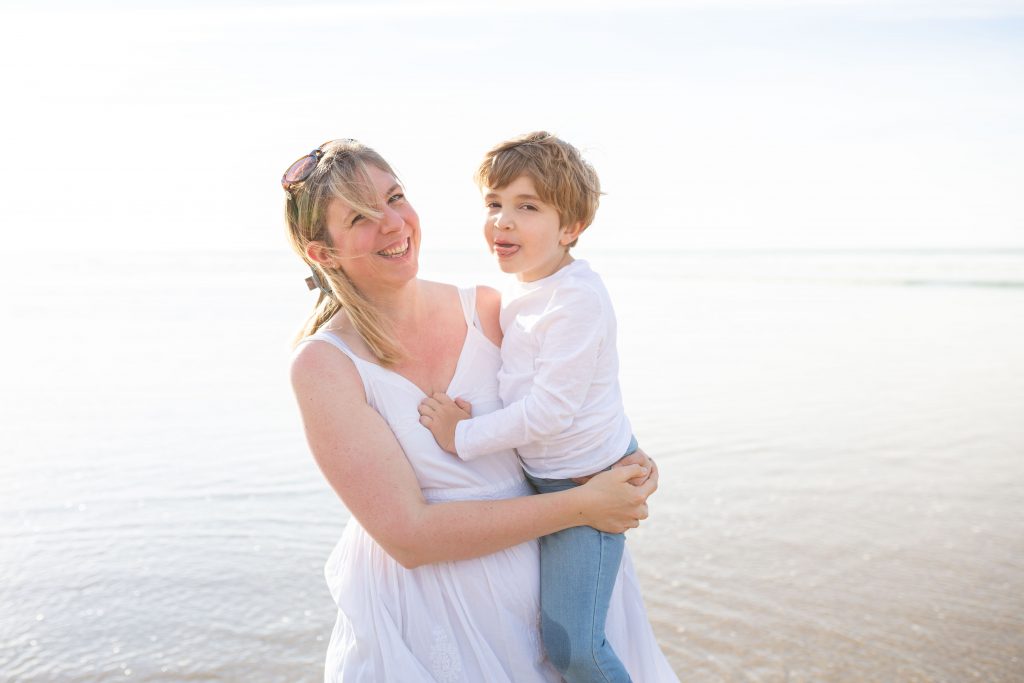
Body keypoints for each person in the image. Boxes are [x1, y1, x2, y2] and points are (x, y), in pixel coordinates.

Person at [283, 139, 676, 681]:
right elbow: (409, 536)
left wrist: (622, 462)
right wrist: (585, 505)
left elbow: (569, 403)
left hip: (558, 590)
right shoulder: (324, 366)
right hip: (437, 625)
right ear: (322, 254)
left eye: (394, 198)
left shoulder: (490, 308)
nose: (393, 223)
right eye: (360, 217)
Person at [417, 131, 666, 682]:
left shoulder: (575, 299)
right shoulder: (523, 287)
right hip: (552, 479)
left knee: (574, 647)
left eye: (527, 207)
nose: (503, 221)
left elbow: (551, 411)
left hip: (586, 484)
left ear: (571, 227)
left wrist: (461, 436)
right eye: (494, 204)